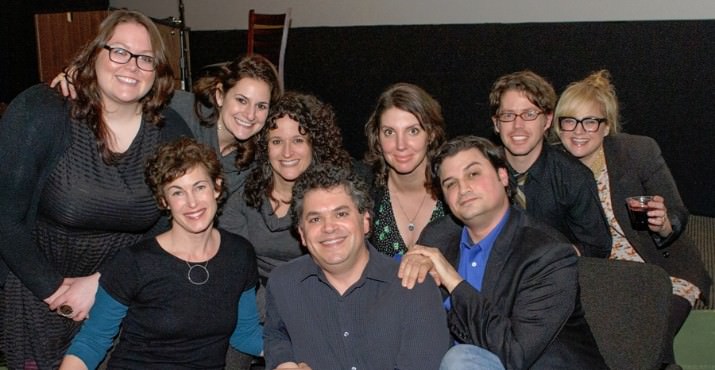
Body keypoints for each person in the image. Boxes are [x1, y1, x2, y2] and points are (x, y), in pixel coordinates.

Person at [0, 9, 192, 369]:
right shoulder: (43, 111)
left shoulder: (171, 132)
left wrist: (104, 284)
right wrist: (56, 291)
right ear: (94, 54)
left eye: (145, 58)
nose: (132, 66)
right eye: (119, 51)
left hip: (120, 296)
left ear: (158, 70)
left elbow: (173, 225)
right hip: (35, 289)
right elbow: (4, 215)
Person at [403, 135, 607, 369]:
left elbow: (513, 354)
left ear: (502, 176)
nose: (463, 188)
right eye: (450, 183)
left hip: (532, 364)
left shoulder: (547, 253)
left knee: (459, 360)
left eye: (473, 174)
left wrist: (453, 281)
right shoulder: (437, 237)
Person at [551, 70, 711, 366]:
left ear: (606, 126)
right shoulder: (551, 167)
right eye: (569, 120)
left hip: (662, 265)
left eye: (590, 121)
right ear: (558, 126)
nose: (579, 130)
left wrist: (664, 224)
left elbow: (676, 213)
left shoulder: (637, 151)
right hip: (603, 275)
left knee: (650, 338)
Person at [58, 138, 261, 369]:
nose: (192, 202)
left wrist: (291, 356)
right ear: (164, 201)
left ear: (217, 187)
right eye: (177, 192)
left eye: (199, 187)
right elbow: (92, 341)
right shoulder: (134, 262)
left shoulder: (239, 254)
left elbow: (246, 334)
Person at [264, 165, 450, 370]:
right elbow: (276, 334)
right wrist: (283, 363)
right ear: (302, 234)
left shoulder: (414, 286)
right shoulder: (284, 283)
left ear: (366, 222)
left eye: (341, 214)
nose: (329, 227)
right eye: (315, 219)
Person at [53, 53, 283, 195]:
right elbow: (129, 87)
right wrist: (83, 78)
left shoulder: (259, 156)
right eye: (241, 100)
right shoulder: (182, 108)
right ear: (220, 95)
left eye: (261, 106)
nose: (250, 114)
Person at [219, 92, 353, 317]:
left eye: (298, 140)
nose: (287, 152)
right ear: (264, 147)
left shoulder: (334, 199)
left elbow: (342, 273)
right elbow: (233, 270)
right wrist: (271, 314)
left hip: (318, 306)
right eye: (277, 141)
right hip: (253, 305)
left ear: (315, 145)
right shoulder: (242, 198)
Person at [491, 70, 611, 257]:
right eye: (508, 115)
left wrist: (553, 257)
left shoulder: (573, 177)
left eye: (529, 114)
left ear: (547, 120)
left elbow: (597, 247)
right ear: (496, 124)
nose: (518, 125)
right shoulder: (482, 173)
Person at [363, 82, 447, 258]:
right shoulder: (363, 190)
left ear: (431, 134)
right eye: (389, 132)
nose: (400, 145)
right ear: (377, 137)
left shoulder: (453, 189)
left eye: (413, 131)